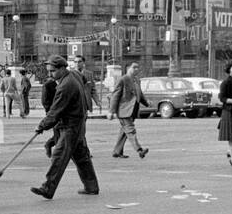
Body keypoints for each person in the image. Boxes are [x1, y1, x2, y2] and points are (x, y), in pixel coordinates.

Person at [30, 55, 99, 200]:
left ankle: (48, 188)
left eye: (52, 71)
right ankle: (92, 187)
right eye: (48, 71)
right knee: (82, 157)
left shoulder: (65, 86)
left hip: (70, 126)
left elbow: (55, 111)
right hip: (79, 123)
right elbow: (85, 81)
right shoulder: (74, 74)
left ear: (62, 68)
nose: (49, 75)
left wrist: (41, 126)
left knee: (59, 156)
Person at [109, 61, 149, 159]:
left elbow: (139, 93)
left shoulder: (136, 80)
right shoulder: (123, 79)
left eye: (137, 67)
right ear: (128, 68)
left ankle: (117, 152)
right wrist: (111, 111)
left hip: (133, 110)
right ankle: (139, 150)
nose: (136, 69)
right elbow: (115, 95)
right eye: (134, 67)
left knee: (124, 131)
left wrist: (147, 103)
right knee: (130, 130)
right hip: (124, 110)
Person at [41, 65, 60, 157]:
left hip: (62, 111)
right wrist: (49, 111)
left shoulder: (63, 83)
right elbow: (45, 100)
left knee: (60, 132)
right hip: (53, 112)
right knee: (57, 131)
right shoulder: (48, 85)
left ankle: (49, 144)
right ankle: (56, 151)